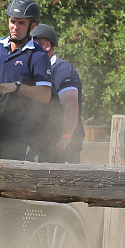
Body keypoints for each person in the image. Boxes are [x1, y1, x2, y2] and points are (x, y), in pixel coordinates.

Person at [0, 0, 53, 160]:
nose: (15, 27)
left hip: (16, 135)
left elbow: (45, 95)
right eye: (12, 21)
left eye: (21, 23)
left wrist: (17, 86)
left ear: (32, 26)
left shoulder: (38, 56)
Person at [31, 23, 84, 163]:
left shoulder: (62, 69)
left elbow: (71, 106)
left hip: (62, 144)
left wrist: (66, 137)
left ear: (47, 46)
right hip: (41, 142)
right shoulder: (33, 70)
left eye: (33, 42)